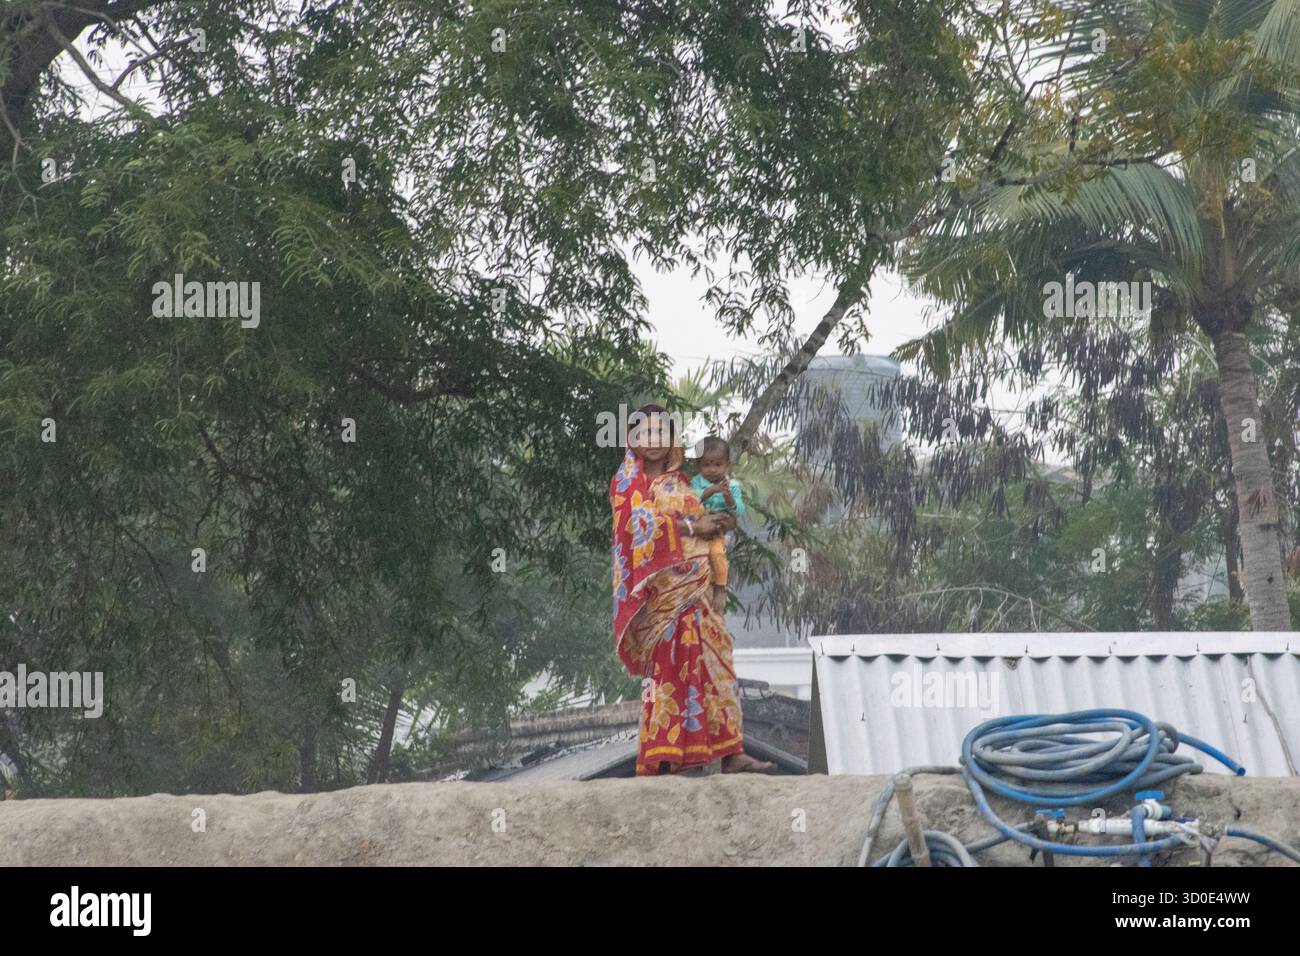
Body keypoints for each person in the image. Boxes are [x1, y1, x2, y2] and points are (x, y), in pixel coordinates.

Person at [609, 404, 773, 775]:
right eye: (645, 433)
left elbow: (705, 517)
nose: (654, 441)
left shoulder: (684, 480)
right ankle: (665, 757)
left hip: (699, 590)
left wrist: (719, 523)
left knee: (717, 661)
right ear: (632, 439)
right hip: (661, 596)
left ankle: (732, 752)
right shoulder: (627, 481)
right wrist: (690, 528)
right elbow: (633, 528)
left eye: (662, 433)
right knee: (669, 671)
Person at [690, 436, 744, 615]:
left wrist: (729, 499)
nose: (712, 469)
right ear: (699, 466)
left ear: (727, 465)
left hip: (716, 533)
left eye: (717, 464)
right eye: (706, 465)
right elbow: (690, 500)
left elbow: (738, 511)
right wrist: (710, 491)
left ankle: (720, 587)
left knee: (717, 553)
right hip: (694, 536)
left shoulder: (732, 485)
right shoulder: (696, 482)